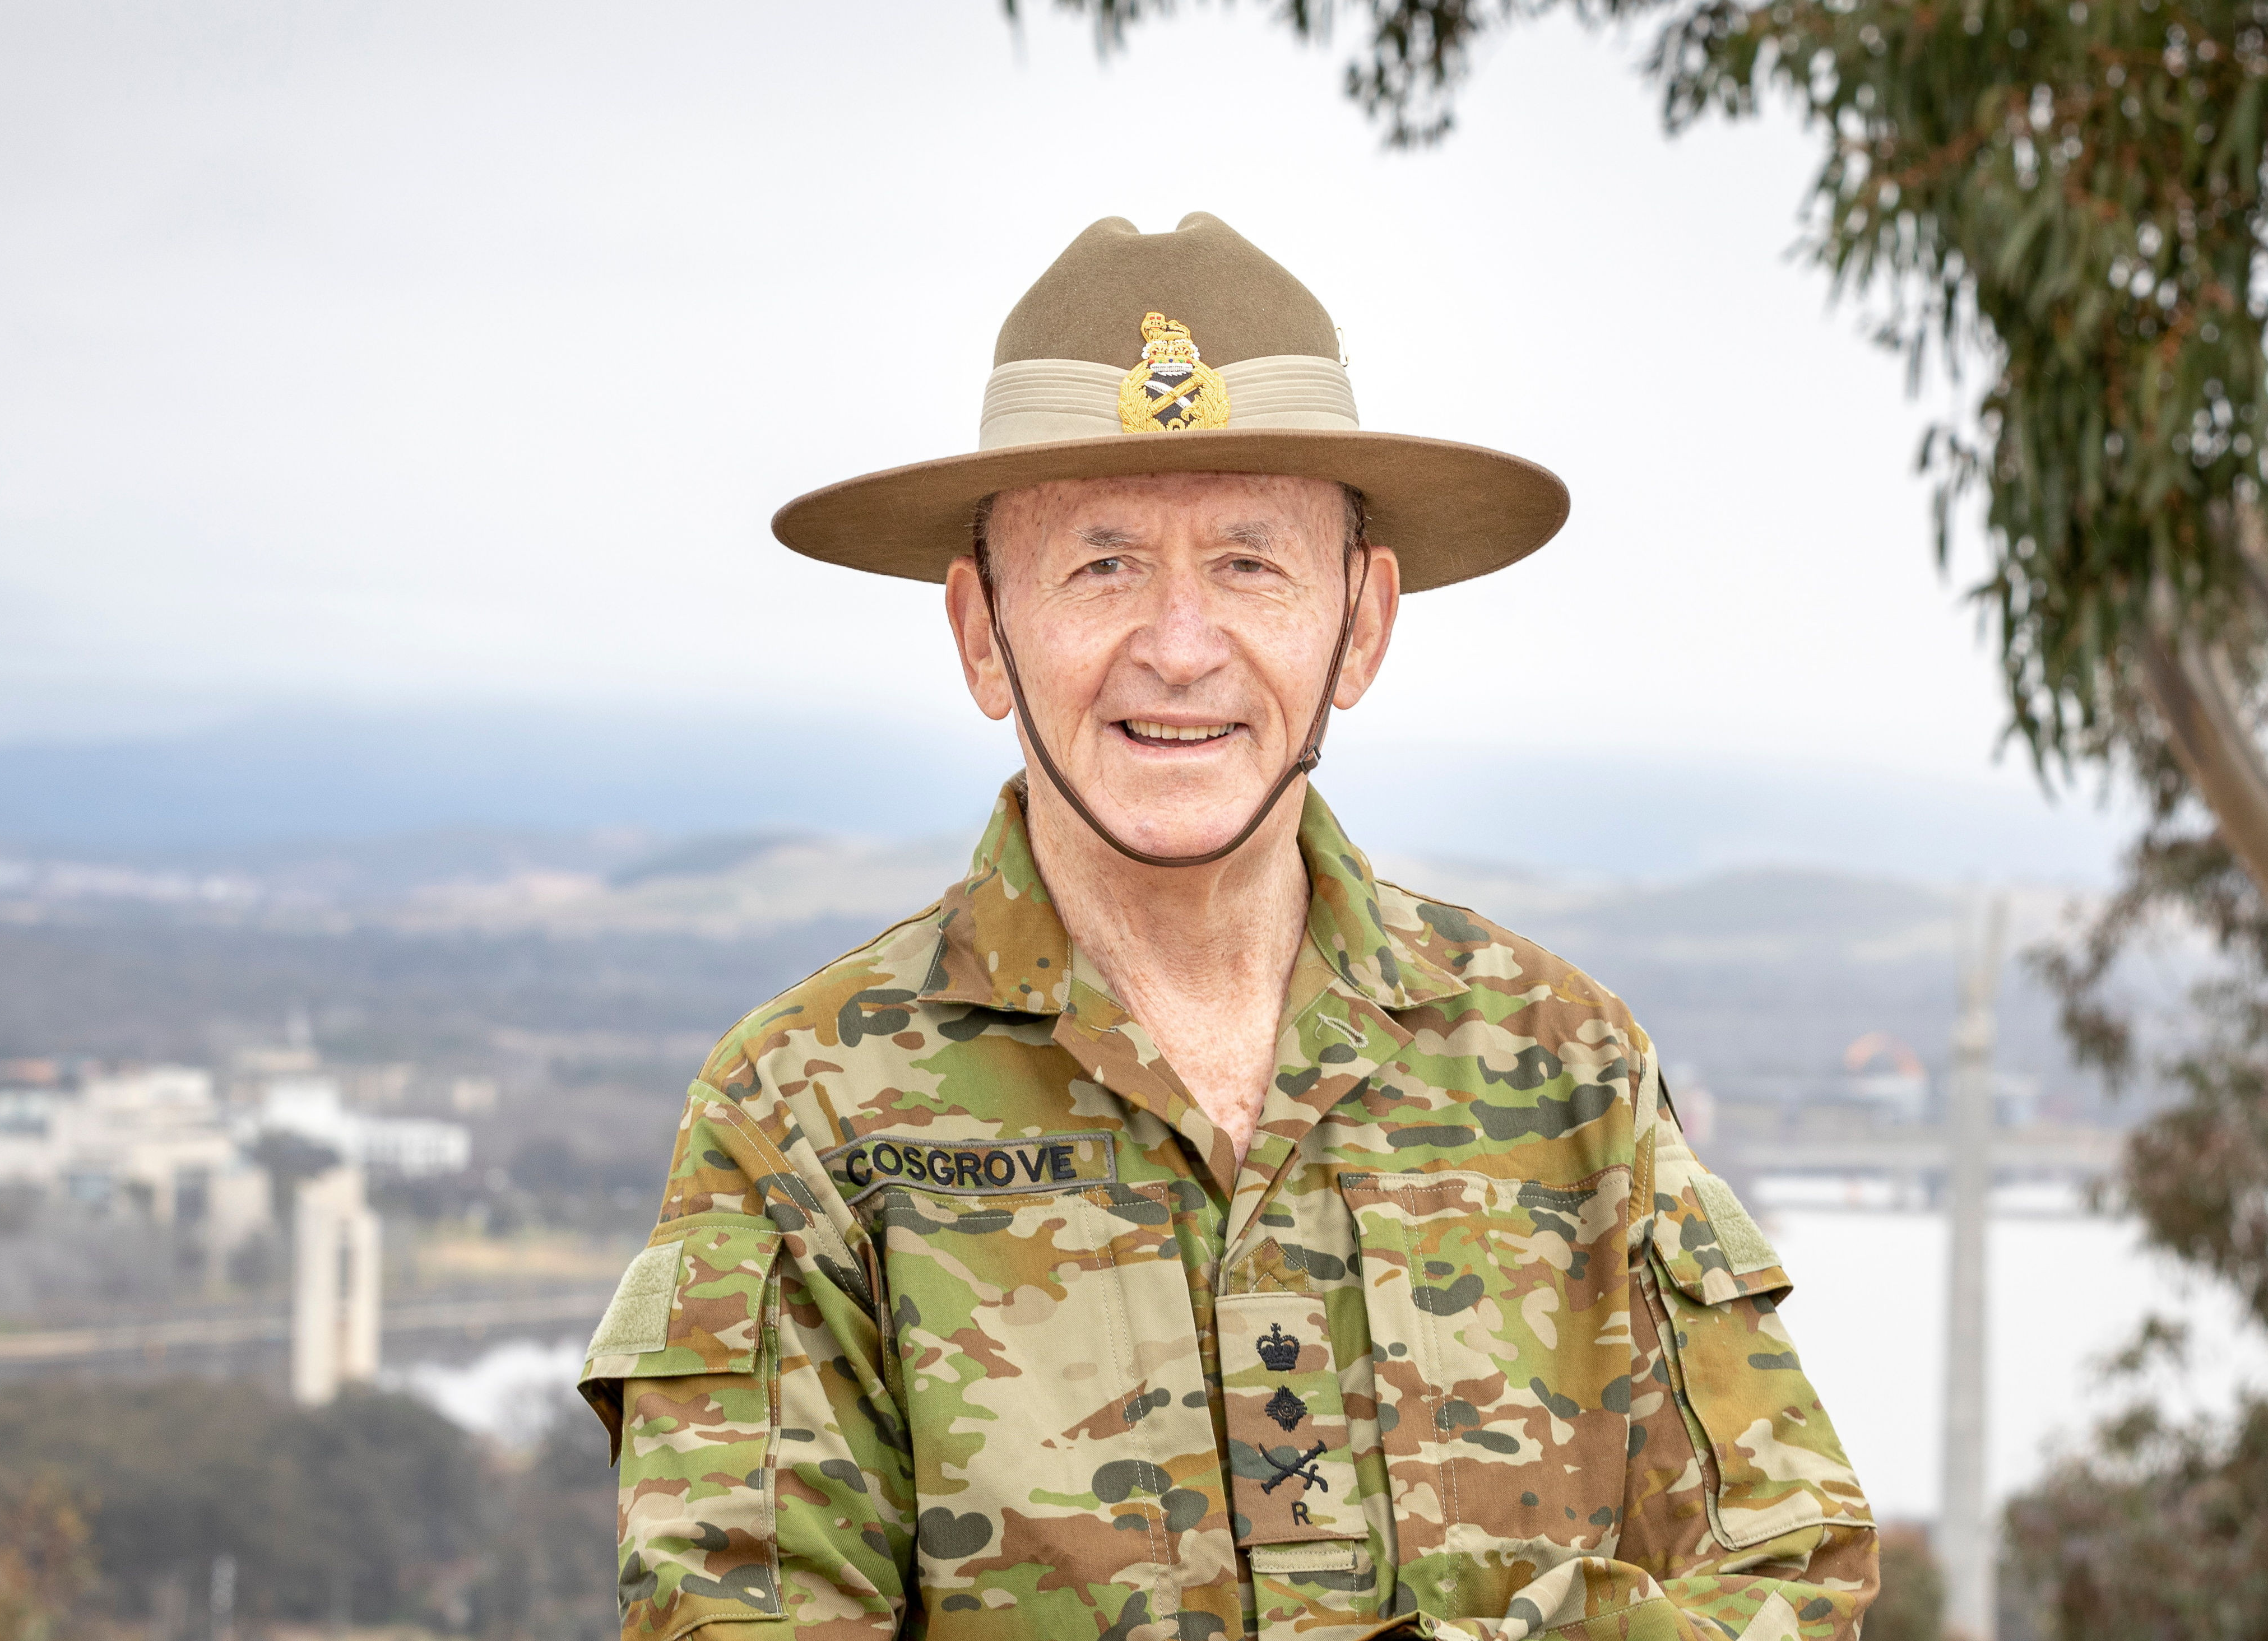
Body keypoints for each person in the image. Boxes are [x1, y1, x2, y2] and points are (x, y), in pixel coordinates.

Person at [578, 213, 1877, 1641]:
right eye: (1103, 564)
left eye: (1250, 564)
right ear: (980, 635)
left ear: (1360, 627)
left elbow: (1786, 1575)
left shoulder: (1563, 1066)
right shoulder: (800, 1115)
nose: (1180, 644)